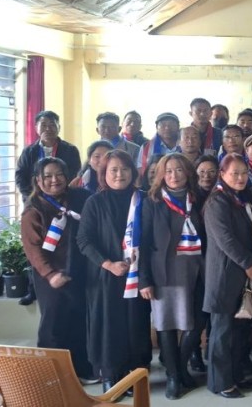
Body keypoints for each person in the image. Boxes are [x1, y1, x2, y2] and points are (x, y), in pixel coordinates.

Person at [75, 150, 152, 396]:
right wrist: (108, 264)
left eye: (125, 169)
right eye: (113, 170)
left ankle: (133, 373)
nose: (120, 174)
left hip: (137, 275)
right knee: (109, 326)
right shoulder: (95, 202)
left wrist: (144, 273)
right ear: (103, 174)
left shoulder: (143, 199)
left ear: (133, 172)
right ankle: (109, 374)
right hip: (105, 277)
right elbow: (84, 240)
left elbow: (152, 238)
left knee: (135, 324)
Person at [139, 153, 207, 399]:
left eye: (178, 170)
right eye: (168, 171)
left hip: (198, 269)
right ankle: (174, 376)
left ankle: (179, 365)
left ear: (187, 172)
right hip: (165, 272)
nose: (174, 175)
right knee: (166, 324)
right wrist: (144, 279)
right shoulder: (152, 202)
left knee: (198, 321)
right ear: (161, 175)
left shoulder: (198, 198)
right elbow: (144, 243)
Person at [20, 157, 94, 382]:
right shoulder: (34, 209)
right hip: (50, 276)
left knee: (79, 321)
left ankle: (80, 370)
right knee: (53, 325)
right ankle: (50, 376)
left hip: (78, 272)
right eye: (48, 176)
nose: (55, 180)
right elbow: (32, 248)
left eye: (59, 174)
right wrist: (50, 274)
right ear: (38, 180)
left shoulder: (79, 198)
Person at [202, 153, 252, 399]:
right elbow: (225, 239)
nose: (240, 177)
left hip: (243, 274)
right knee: (222, 331)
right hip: (224, 275)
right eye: (234, 173)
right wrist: (249, 263)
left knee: (239, 330)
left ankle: (236, 376)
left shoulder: (242, 198)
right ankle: (220, 383)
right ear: (222, 174)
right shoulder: (217, 201)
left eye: (244, 173)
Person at [16, 110, 81, 199]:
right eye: (43, 125)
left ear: (59, 127)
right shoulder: (28, 152)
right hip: (35, 199)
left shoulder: (71, 150)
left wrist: (60, 194)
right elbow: (20, 177)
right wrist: (33, 197)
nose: (48, 129)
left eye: (52, 125)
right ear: (36, 128)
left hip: (63, 200)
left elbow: (74, 175)